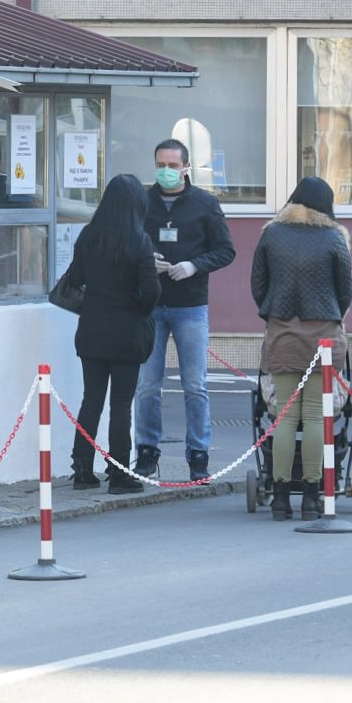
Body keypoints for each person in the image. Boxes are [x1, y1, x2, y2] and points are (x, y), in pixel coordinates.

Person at [249, 176, 352, 521]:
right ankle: (311, 496)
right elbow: (345, 290)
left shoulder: (271, 234)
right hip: (322, 336)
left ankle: (280, 497)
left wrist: (274, 311)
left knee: (283, 417)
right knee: (313, 418)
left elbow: (258, 284)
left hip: (281, 334)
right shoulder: (334, 238)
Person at [134, 139, 237, 484]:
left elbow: (226, 250)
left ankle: (198, 454)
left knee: (195, 384)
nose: (166, 171)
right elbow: (128, 244)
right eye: (160, 164)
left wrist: (194, 265)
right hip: (150, 304)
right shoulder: (142, 202)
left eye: (173, 165)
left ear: (186, 168)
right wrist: (145, 261)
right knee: (148, 385)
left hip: (190, 305)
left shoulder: (204, 204)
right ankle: (146, 451)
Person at [58, 174, 160, 493]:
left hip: (92, 330)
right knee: (121, 403)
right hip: (127, 333)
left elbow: (75, 278)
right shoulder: (139, 242)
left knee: (92, 400)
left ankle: (82, 470)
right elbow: (151, 293)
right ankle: (118, 474)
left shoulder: (89, 236)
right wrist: (139, 306)